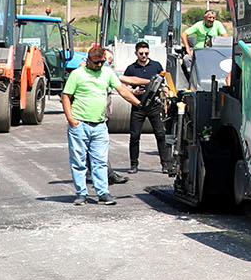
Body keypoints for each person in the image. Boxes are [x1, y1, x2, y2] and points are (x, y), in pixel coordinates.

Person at [63, 43, 120, 205]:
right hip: (80, 124)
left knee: (100, 161)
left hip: (100, 125)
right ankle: (81, 193)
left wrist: (138, 103)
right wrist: (71, 119)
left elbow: (121, 88)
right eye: (96, 62)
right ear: (88, 60)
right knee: (79, 161)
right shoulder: (77, 74)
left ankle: (103, 193)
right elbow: (66, 96)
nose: (99, 65)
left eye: (102, 62)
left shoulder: (106, 73)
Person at [118, 39, 173, 175]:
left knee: (160, 135)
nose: (144, 56)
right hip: (138, 106)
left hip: (154, 105)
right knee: (135, 136)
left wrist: (167, 99)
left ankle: (165, 164)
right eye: (141, 53)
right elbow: (123, 87)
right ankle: (133, 165)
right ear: (136, 53)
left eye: (146, 53)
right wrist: (133, 91)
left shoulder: (156, 66)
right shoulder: (131, 68)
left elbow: (164, 84)